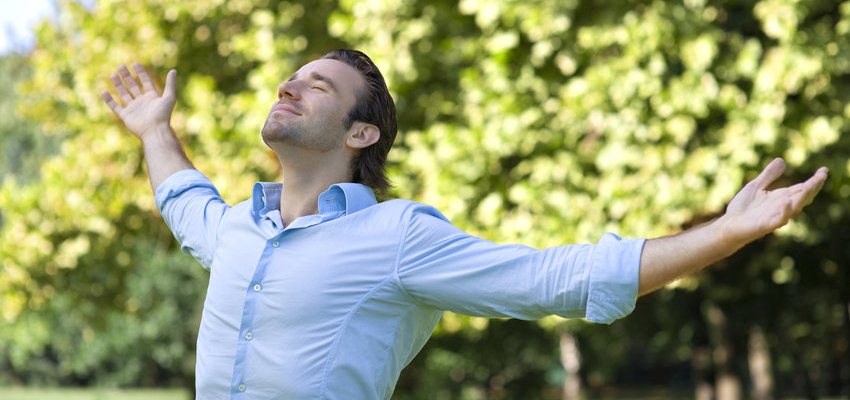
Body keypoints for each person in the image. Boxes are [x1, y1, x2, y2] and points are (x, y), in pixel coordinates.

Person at [102, 49, 828, 399]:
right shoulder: (237, 229)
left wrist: (729, 233)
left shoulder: (399, 238)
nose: (289, 84)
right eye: (291, 77)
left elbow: (557, 281)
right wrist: (153, 132)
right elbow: (184, 199)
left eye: (318, 85)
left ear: (360, 136)